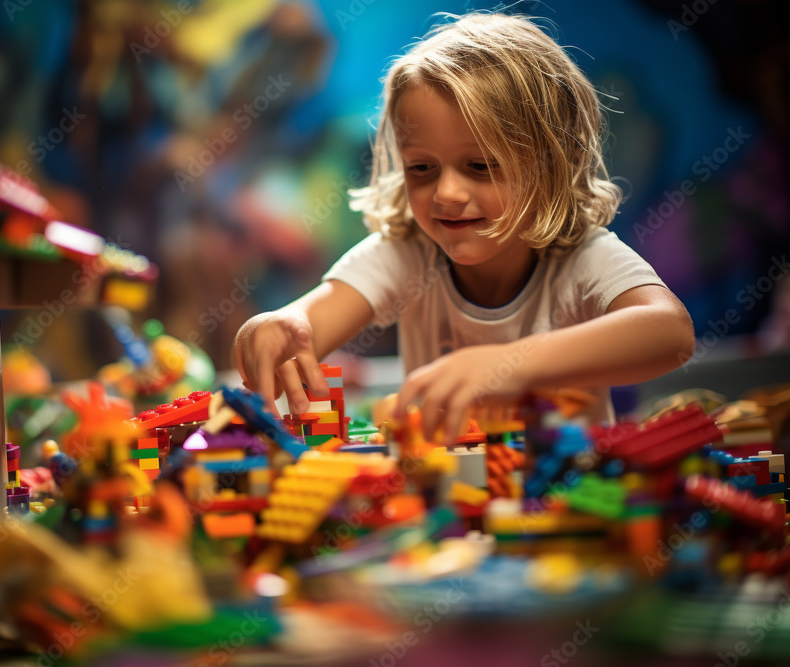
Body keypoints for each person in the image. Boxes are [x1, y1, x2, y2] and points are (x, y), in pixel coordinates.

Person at [234, 12, 695, 441]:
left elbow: (670, 333)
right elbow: (308, 323)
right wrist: (276, 325)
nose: (446, 194)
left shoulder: (581, 257)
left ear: (549, 166)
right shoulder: (406, 253)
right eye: (422, 169)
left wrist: (504, 365)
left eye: (480, 166)